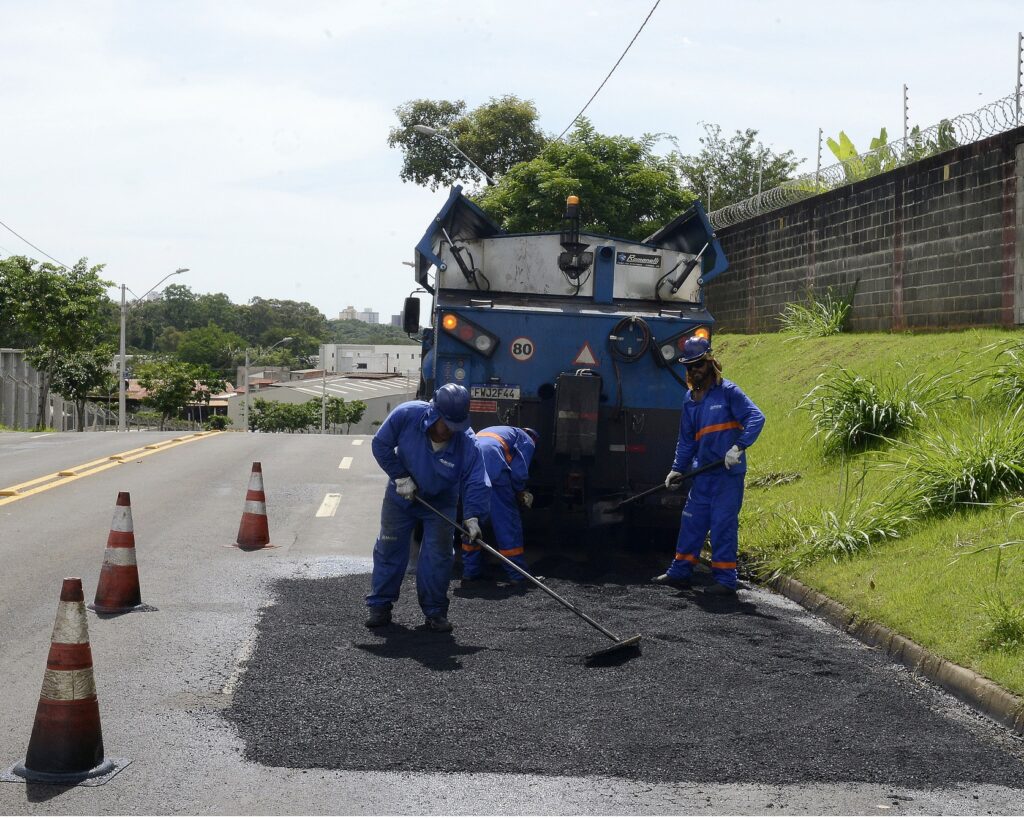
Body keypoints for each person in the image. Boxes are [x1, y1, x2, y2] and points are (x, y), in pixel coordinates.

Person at [365, 383, 490, 632]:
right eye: (447, 424)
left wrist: (473, 517)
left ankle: (435, 612)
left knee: (438, 556)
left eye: (457, 426)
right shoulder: (406, 415)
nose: (450, 432)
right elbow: (381, 444)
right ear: (433, 413)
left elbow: (476, 480)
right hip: (401, 496)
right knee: (389, 548)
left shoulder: (467, 443)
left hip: (442, 501)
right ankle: (380, 606)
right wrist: (400, 477)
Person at [652, 336, 765, 596]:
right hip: (702, 474)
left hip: (727, 476)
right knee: (691, 521)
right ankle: (680, 571)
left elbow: (757, 417)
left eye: (698, 365)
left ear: (710, 363)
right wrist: (677, 468)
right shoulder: (690, 400)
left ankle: (725, 581)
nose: (694, 371)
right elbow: (686, 441)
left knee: (723, 524)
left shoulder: (728, 392)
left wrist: (738, 447)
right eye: (690, 367)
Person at [461, 425, 538, 587]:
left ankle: (470, 571)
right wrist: (520, 491)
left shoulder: (499, 430)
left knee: (473, 520)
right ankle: (517, 575)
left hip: (470, 470)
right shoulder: (527, 440)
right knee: (507, 522)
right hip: (494, 469)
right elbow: (518, 472)